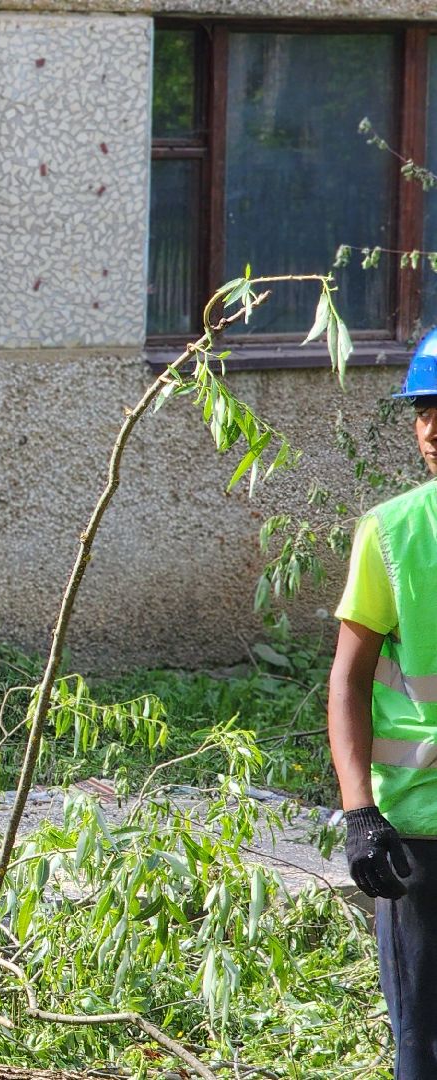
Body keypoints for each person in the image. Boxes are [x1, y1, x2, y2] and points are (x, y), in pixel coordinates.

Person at [329, 329, 437, 1080]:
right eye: (424, 409)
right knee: (421, 1049)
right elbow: (347, 682)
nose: (433, 429)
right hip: (419, 832)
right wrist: (360, 814)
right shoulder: (393, 533)